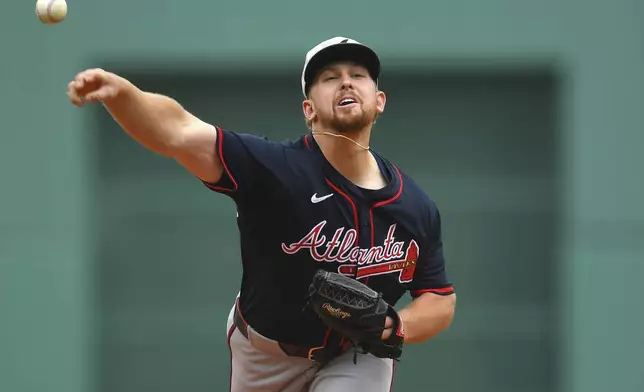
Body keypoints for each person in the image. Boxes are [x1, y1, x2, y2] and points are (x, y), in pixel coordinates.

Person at [67, 36, 457, 392]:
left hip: (356, 355)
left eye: (358, 75)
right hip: (265, 356)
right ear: (309, 109)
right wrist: (123, 94)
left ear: (379, 101)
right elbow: (178, 131)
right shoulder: (275, 168)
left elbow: (439, 298)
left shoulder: (413, 206)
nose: (346, 82)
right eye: (328, 77)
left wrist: (395, 325)